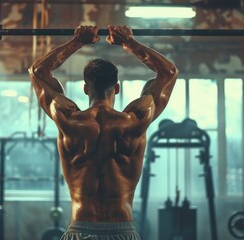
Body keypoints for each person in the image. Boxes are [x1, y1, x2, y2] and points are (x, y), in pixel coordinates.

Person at [28, 25, 178, 240]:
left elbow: (37, 71)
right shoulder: (135, 120)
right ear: (116, 88)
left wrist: (78, 41)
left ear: (86, 88)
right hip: (121, 229)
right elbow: (169, 72)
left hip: (80, 227)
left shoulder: (68, 120)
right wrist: (128, 42)